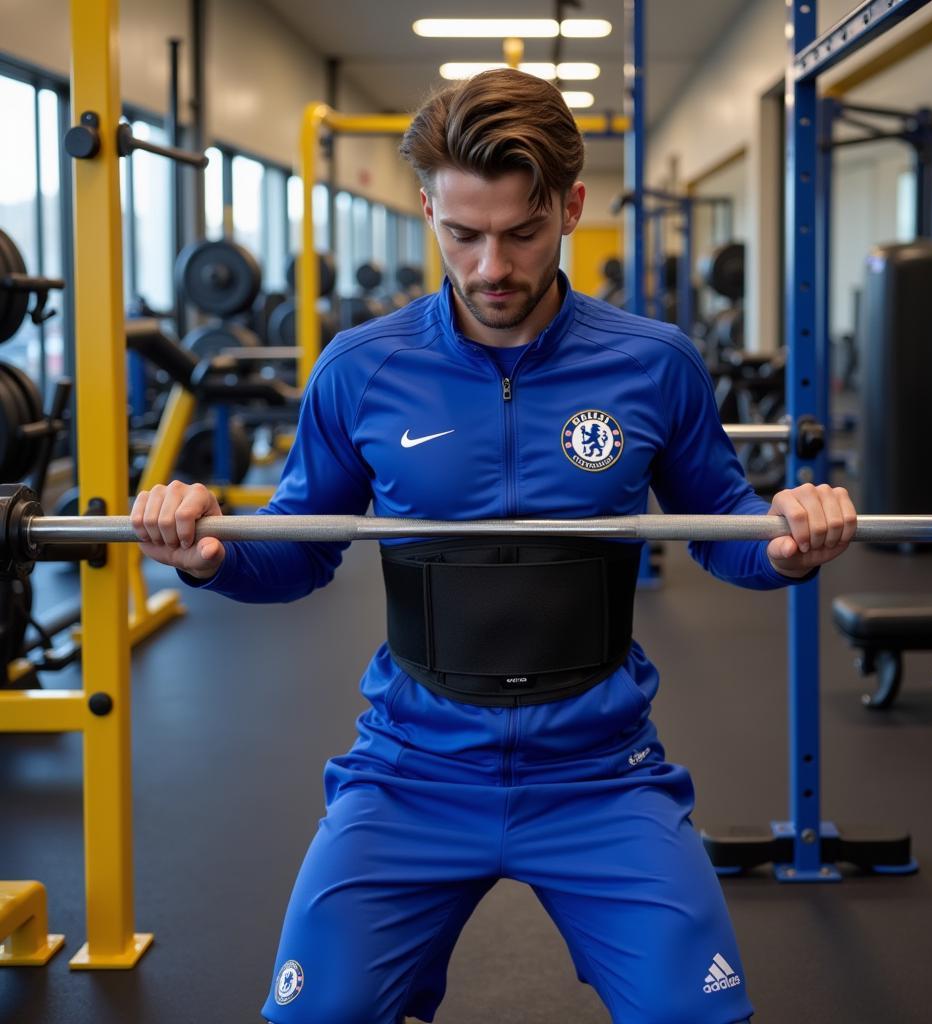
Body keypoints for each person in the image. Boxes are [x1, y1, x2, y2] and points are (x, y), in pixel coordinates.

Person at [132, 69, 856, 1024]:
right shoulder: (362, 369)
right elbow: (299, 546)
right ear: (427, 207)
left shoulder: (653, 363)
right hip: (411, 769)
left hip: (599, 772)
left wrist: (789, 543)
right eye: (461, 234)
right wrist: (209, 550)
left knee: (698, 1014)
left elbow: (723, 526)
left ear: (571, 207)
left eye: (522, 233)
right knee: (317, 1013)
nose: (489, 268)